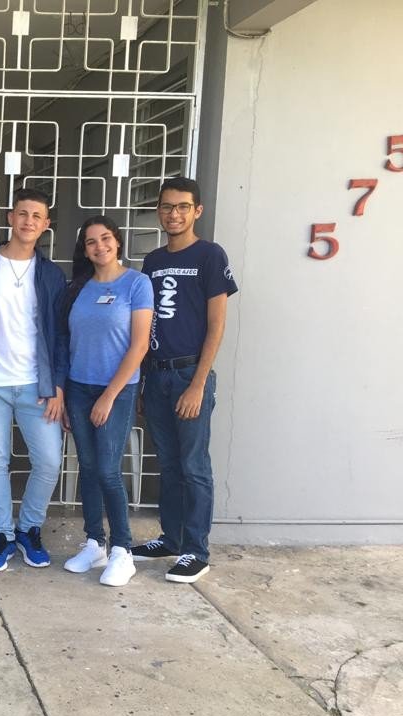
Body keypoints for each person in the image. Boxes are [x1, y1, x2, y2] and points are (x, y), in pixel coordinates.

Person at [130, 177, 238, 583]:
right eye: (166, 206)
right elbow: (146, 325)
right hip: (157, 376)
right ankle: (171, 539)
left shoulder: (210, 255)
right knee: (169, 465)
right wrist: (144, 382)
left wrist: (197, 384)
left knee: (194, 467)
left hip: (190, 375)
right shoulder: (153, 261)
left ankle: (196, 550)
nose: (173, 214)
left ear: (197, 211)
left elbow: (216, 325)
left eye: (182, 207)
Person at [0, 189, 67, 572]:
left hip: (36, 383)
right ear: (10, 217)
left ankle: (29, 529)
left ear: (46, 224)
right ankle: (2, 535)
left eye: (37, 216)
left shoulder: (51, 274)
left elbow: (60, 335)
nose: (28, 221)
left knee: (49, 461)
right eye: (23, 213)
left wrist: (58, 385)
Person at [61, 216, 153, 587]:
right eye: (91, 242)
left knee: (107, 470)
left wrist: (109, 395)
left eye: (105, 238)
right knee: (87, 466)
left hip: (116, 389)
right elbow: (67, 342)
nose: (99, 246)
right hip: (79, 387)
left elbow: (139, 345)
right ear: (84, 250)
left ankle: (122, 550)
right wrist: (65, 393)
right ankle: (94, 543)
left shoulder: (137, 283)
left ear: (117, 241)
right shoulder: (78, 288)